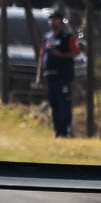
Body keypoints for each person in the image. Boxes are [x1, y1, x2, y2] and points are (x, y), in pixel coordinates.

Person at [36, 10, 81, 138]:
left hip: (64, 76)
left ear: (60, 21)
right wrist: (39, 74)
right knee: (54, 103)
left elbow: (76, 52)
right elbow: (42, 56)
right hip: (50, 75)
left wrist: (62, 55)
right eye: (51, 19)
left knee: (64, 103)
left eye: (55, 19)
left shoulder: (68, 37)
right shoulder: (47, 37)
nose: (53, 22)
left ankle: (66, 130)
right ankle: (58, 130)